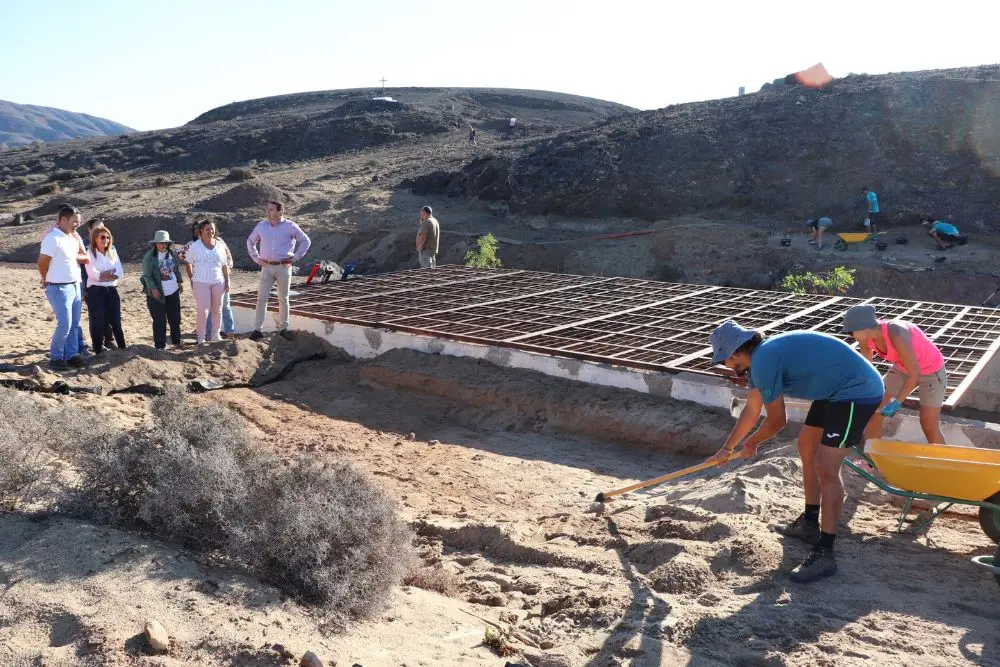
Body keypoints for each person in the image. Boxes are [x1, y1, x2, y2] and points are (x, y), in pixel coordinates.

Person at [708, 321, 884, 583]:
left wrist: (752, 443)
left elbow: (777, 421)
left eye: (724, 360)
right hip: (833, 390)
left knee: (827, 467)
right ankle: (810, 523)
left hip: (856, 392)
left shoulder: (764, 360)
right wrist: (727, 448)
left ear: (733, 353)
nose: (725, 366)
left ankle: (825, 553)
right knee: (806, 446)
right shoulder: (759, 361)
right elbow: (752, 409)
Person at [842, 305, 947, 444]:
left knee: (928, 424)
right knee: (875, 411)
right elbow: (867, 358)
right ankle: (871, 462)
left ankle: (942, 463)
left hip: (931, 372)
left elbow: (914, 374)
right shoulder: (864, 337)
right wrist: (863, 386)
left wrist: (897, 402)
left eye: (851, 332)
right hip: (901, 369)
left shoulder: (896, 332)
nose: (851, 336)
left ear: (864, 327)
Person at [246, 201, 311, 340]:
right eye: (268, 209)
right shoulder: (261, 226)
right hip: (266, 267)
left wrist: (295, 257)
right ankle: (258, 330)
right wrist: (256, 259)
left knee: (283, 298)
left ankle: (283, 329)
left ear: (280, 212)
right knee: (261, 298)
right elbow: (250, 241)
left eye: (271, 210)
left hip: (283, 266)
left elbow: (306, 241)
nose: (268, 212)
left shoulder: (290, 226)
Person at [38, 205, 89, 370]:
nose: (77, 225)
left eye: (79, 222)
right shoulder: (53, 238)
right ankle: (56, 358)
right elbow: (42, 262)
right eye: (74, 221)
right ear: (63, 220)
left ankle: (71, 355)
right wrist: (45, 278)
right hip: (59, 287)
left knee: (74, 324)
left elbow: (80, 257)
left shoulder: (71, 238)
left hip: (75, 285)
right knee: (64, 324)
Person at [179, 220, 236, 339]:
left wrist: (227, 281)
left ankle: (216, 335)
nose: (210, 231)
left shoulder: (220, 244)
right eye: (207, 229)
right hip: (201, 281)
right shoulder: (194, 246)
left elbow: (224, 264)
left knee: (218, 310)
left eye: (212, 229)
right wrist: (192, 279)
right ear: (201, 231)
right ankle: (201, 337)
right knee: (203, 311)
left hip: (218, 281)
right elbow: (188, 262)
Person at [83, 225, 126, 354]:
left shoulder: (112, 252)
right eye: (102, 237)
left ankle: (123, 348)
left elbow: (120, 272)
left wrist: (105, 275)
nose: (106, 240)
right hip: (96, 292)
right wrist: (107, 274)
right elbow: (93, 274)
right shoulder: (89, 253)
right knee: (98, 320)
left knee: (116, 321)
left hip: (112, 290)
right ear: (95, 238)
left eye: (108, 237)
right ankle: (98, 350)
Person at [141, 231, 184, 349]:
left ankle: (177, 341)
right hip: (157, 293)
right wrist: (153, 289)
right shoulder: (149, 257)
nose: (162, 245)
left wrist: (179, 282)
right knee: (159, 320)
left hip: (173, 291)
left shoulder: (172, 254)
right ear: (155, 244)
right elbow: (147, 276)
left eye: (164, 243)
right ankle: (160, 345)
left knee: (175, 318)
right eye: (160, 243)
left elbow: (176, 269)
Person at [82, 217, 116, 349]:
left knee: (109, 313)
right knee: (96, 315)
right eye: (96, 228)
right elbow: (82, 270)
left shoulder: (109, 245)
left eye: (102, 228)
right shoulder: (84, 246)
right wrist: (84, 288)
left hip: (108, 285)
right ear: (89, 230)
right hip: (91, 286)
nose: (99, 231)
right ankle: (98, 343)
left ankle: (109, 340)